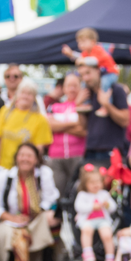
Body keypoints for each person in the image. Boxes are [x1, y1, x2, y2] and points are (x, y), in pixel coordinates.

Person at [0, 142, 59, 261]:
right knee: (5, 232)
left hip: (36, 219)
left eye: (29, 156)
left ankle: (49, 257)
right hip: (11, 219)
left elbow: (51, 198)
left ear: (36, 159)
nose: (25, 159)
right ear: (16, 158)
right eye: (22, 155)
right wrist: (11, 218)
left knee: (51, 217)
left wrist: (36, 213)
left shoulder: (43, 174)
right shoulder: (5, 177)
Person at [43, 70, 90, 204]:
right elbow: (50, 126)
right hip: (56, 157)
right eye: (69, 85)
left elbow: (83, 130)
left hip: (78, 155)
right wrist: (73, 124)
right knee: (57, 193)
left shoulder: (84, 107)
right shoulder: (55, 107)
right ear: (63, 88)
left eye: (75, 85)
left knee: (78, 193)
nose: (72, 89)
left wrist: (61, 124)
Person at [0, 79, 54, 172]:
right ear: (17, 94)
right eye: (23, 92)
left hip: (25, 170)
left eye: (29, 94)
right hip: (3, 168)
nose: (25, 96)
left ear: (34, 97)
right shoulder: (5, 112)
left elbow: (39, 149)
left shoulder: (40, 119)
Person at [72, 162, 120, 261]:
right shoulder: (82, 195)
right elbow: (78, 207)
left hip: (102, 220)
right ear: (85, 184)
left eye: (98, 181)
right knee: (87, 230)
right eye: (92, 182)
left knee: (107, 235)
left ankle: (110, 258)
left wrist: (107, 205)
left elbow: (113, 208)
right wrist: (93, 207)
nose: (96, 184)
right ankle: (87, 252)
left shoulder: (104, 194)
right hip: (87, 220)